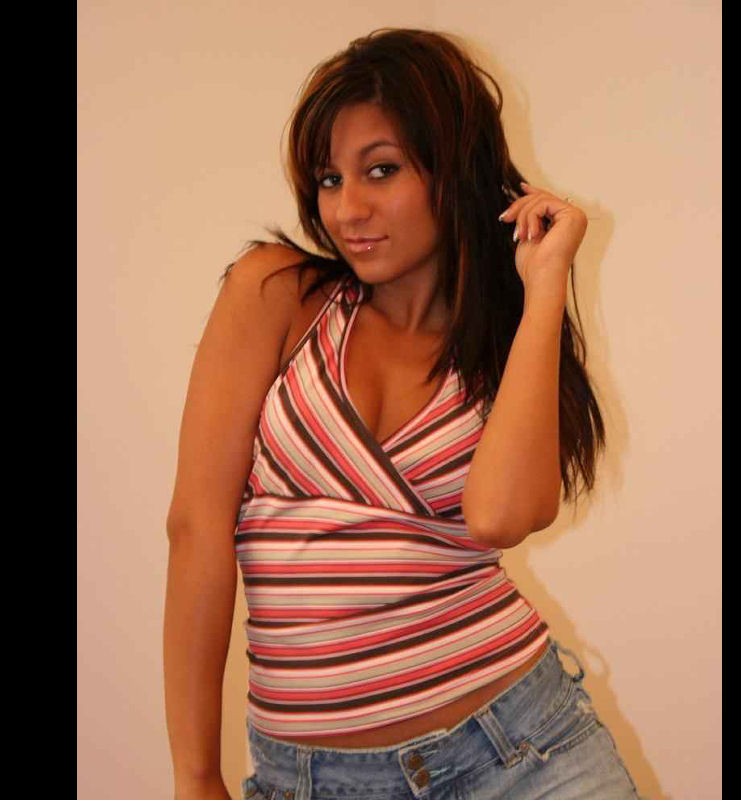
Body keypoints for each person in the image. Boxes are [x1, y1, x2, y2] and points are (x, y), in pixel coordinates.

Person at [164, 27, 642, 800]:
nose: (347, 209)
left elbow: (498, 517)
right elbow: (195, 528)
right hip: (315, 781)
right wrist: (194, 775)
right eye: (329, 179)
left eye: (380, 170)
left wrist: (546, 285)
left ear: (451, 171)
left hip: (524, 753)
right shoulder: (279, 296)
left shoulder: (501, 347)